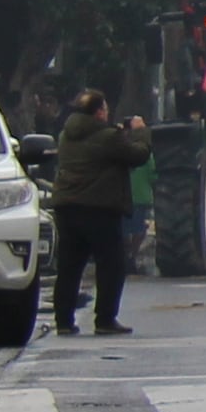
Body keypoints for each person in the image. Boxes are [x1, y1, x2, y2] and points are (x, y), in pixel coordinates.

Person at [46, 89, 150, 339]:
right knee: (111, 265)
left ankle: (64, 321)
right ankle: (104, 319)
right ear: (99, 112)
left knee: (70, 267)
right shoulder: (108, 137)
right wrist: (140, 132)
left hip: (68, 209)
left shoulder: (65, 135)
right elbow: (137, 155)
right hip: (99, 210)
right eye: (104, 108)